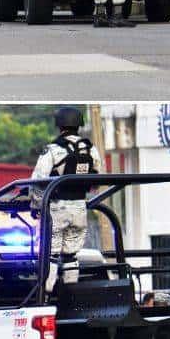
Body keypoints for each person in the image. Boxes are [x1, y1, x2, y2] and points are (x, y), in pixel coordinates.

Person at [32, 107, 103, 293]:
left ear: (59, 125)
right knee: (71, 255)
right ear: (79, 124)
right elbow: (97, 177)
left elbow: (38, 180)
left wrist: (36, 205)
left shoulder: (52, 150)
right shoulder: (90, 148)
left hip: (57, 208)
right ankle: (70, 294)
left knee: (52, 254)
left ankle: (45, 295)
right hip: (80, 208)